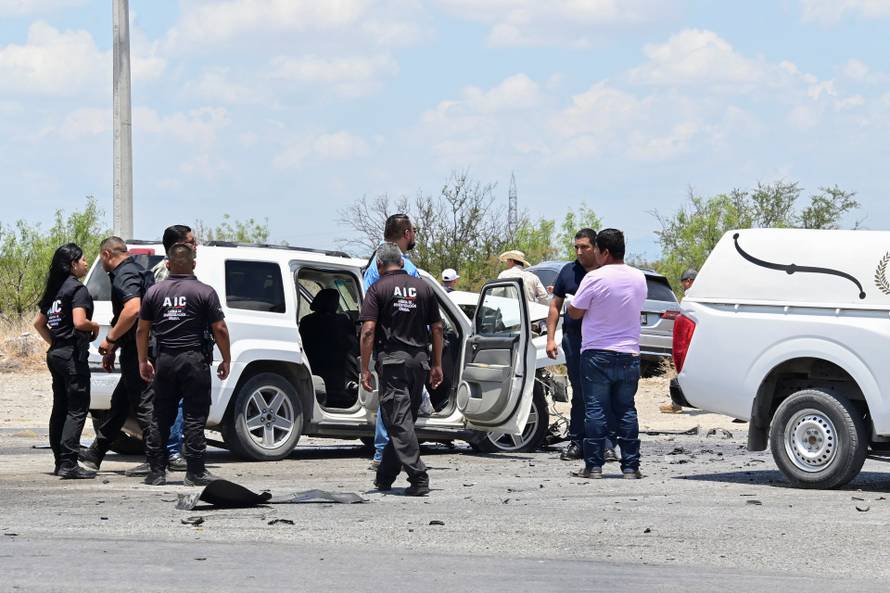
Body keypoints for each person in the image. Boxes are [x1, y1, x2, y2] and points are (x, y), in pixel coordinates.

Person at [137, 243, 231, 486]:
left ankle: (156, 472)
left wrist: (143, 360)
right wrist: (226, 358)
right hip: (193, 360)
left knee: (161, 415)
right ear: (194, 264)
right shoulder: (204, 292)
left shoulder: (154, 292)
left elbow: (142, 330)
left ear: (168, 264)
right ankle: (195, 472)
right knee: (195, 416)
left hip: (165, 360)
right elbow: (220, 328)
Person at [359, 242, 443, 496]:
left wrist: (365, 369)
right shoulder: (424, 287)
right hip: (419, 363)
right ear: (402, 262)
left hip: (393, 363)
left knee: (398, 421)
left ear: (379, 265)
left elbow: (368, 331)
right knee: (402, 421)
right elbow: (437, 328)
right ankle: (385, 476)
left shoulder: (377, 289)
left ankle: (419, 477)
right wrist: (437, 364)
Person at [567, 228, 647, 479]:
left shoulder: (594, 278)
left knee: (595, 409)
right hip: (629, 353)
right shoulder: (639, 277)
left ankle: (594, 466)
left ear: (605, 252)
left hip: (597, 353)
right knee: (626, 409)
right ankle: (631, 466)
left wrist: (571, 304)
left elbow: (575, 312)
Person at [80, 237, 159, 475]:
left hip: (140, 350)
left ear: (106, 254)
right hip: (137, 347)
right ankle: (95, 454)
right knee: (120, 404)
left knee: (144, 405)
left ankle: (156, 461)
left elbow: (133, 309)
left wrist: (110, 338)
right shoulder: (137, 270)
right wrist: (115, 347)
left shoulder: (124, 274)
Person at [546, 229, 617, 463]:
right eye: (576, 247)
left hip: (604, 341)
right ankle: (577, 442)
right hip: (575, 341)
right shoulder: (568, 272)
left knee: (606, 393)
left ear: (596, 247)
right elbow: (555, 305)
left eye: (584, 247)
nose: (579, 251)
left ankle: (607, 445)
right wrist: (550, 338)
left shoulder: (608, 272)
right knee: (580, 392)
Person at [32, 244, 99, 479]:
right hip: (71, 357)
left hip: (56, 355)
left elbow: (39, 323)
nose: (86, 263)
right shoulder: (77, 289)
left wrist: (56, 342)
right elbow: (80, 322)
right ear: (73, 264)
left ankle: (60, 461)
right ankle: (69, 463)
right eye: (83, 260)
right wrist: (94, 326)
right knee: (77, 409)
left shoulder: (54, 289)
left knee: (60, 408)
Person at [363, 213, 422, 470]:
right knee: (400, 404)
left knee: (390, 400)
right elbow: (422, 312)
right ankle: (389, 455)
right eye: (414, 231)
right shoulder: (405, 267)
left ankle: (386, 454)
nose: (414, 235)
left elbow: (368, 311)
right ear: (407, 233)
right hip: (407, 345)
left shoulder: (373, 264)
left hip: (384, 345)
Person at [148, 225, 202, 468]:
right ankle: (170, 451)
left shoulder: (175, 270)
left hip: (176, 347)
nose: (195, 245)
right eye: (191, 241)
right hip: (171, 347)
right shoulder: (165, 273)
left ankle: (166, 451)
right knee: (174, 402)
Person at [659, 267, 698, 414]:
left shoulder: (690, 296)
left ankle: (676, 403)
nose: (683, 286)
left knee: (682, 371)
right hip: (697, 340)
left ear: (688, 281)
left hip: (690, 340)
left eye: (683, 282)